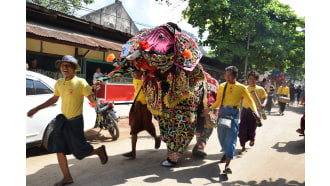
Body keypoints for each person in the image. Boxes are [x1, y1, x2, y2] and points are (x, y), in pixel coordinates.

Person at [27, 55, 108, 186]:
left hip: (76, 122)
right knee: (59, 149)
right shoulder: (59, 83)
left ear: (74, 68)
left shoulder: (80, 82)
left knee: (80, 150)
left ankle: (98, 151)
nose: (65, 67)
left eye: (68, 65)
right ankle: (67, 177)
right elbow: (54, 99)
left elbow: (91, 99)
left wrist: (95, 89)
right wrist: (37, 108)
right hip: (63, 121)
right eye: (63, 65)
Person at [203, 66, 259, 174]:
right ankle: (226, 152)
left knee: (231, 140)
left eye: (230, 75)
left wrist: (255, 112)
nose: (227, 77)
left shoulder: (242, 88)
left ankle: (227, 165)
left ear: (236, 76)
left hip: (234, 116)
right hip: (223, 114)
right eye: (226, 75)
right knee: (222, 138)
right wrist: (209, 109)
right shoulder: (222, 87)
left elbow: (250, 101)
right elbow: (218, 102)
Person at [122, 69, 161, 159]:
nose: (133, 74)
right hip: (137, 107)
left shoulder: (146, 81)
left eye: (135, 72)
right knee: (134, 127)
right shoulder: (134, 80)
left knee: (149, 126)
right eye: (132, 72)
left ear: (140, 72)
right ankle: (133, 151)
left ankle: (156, 138)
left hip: (145, 107)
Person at [239, 71, 267, 155]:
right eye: (250, 78)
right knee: (242, 129)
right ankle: (243, 147)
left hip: (255, 112)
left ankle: (252, 139)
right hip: (244, 110)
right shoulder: (244, 88)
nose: (252, 80)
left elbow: (265, 97)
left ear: (257, 80)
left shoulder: (260, 89)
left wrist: (263, 104)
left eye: (254, 79)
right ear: (248, 79)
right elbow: (240, 98)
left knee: (252, 128)